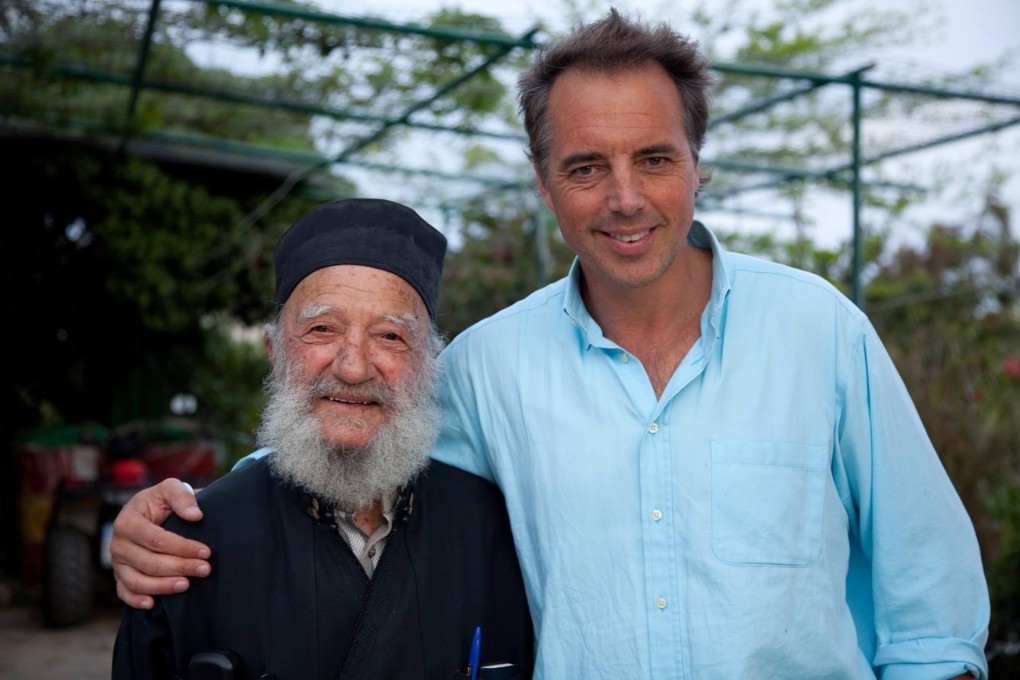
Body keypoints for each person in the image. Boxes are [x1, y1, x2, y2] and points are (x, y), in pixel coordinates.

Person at [111, 10, 990, 679]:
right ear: (544, 185)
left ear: (698, 162)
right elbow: (354, 418)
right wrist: (180, 514)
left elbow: (932, 602)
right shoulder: (492, 369)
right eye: (584, 167)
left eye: (654, 158)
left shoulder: (820, 332)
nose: (624, 198)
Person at [111, 199, 533, 679]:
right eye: (321, 329)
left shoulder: (498, 530)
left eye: (391, 337)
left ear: (429, 364)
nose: (353, 366)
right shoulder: (186, 548)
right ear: (275, 352)